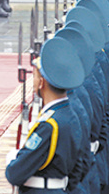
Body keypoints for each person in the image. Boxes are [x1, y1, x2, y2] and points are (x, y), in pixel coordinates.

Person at [6, 36, 85, 193]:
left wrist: (13, 161)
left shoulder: (48, 125)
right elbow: (80, 166)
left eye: (35, 76)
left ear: (42, 82)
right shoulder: (71, 114)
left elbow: (15, 174)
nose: (33, 82)